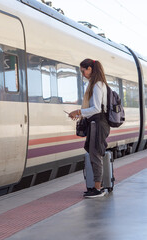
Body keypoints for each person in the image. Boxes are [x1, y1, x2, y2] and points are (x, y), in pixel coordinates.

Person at [69, 58, 110, 198]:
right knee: (93, 153)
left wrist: (79, 112)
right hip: (95, 123)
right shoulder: (95, 84)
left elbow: (97, 108)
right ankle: (97, 186)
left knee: (95, 154)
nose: (83, 74)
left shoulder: (97, 85)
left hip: (98, 123)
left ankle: (98, 188)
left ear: (90, 69)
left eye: (83, 71)